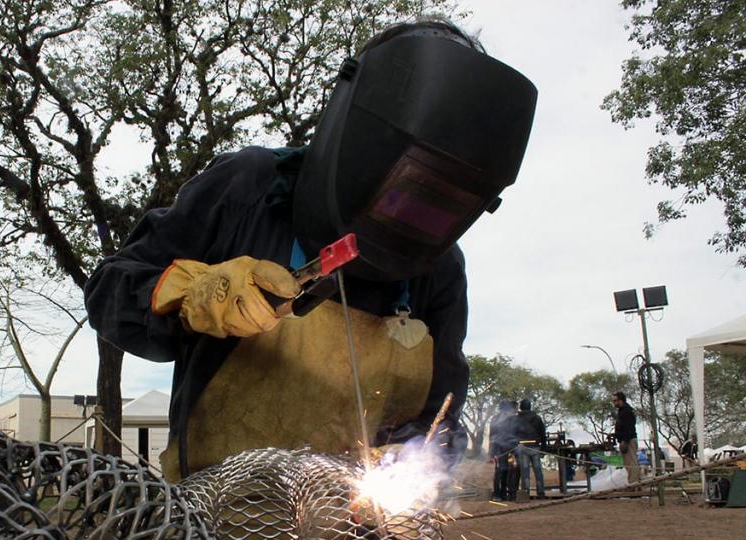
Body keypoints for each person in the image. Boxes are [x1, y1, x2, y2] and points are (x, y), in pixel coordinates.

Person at [85, 19, 537, 481]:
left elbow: (441, 417)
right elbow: (108, 290)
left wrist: (412, 466)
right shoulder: (250, 187)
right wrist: (188, 293)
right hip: (214, 523)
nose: (405, 214)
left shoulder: (439, 270)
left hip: (348, 536)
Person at [513, 398, 547, 498]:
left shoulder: (517, 419)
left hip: (522, 447)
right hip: (535, 447)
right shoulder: (537, 418)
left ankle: (526, 493)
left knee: (525, 472)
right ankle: (541, 493)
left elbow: (513, 434)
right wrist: (544, 449)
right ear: (530, 407)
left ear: (521, 407)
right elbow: (543, 434)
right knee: (538, 471)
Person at [488, 400, 519, 501]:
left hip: (501, 449)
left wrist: (491, 452)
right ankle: (498, 494)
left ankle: (501, 493)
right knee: (503, 471)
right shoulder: (510, 419)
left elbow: (491, 436)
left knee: (502, 471)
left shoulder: (496, 419)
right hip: (504, 449)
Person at [612, 391, 639, 484]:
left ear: (621, 400)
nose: (614, 403)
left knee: (632, 464)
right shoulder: (622, 411)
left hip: (629, 440)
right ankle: (634, 484)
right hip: (625, 440)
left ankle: (634, 485)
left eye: (616, 400)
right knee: (628, 464)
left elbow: (629, 427)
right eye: (613, 401)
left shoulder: (626, 411)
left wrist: (625, 441)